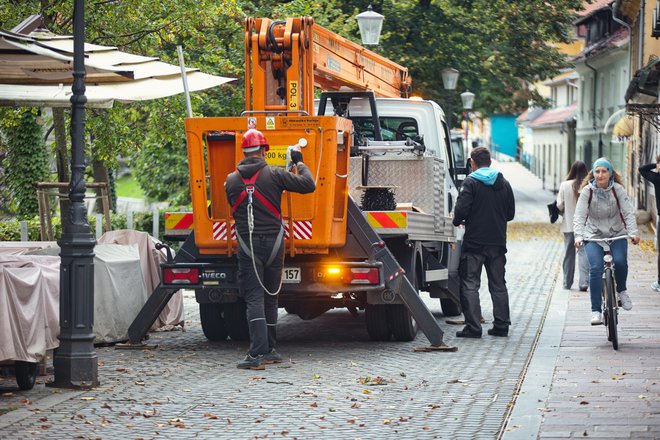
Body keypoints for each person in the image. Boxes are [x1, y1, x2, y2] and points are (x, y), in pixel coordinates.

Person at [225, 129, 315, 370]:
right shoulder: (275, 175)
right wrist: (298, 161)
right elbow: (309, 185)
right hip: (275, 245)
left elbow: (235, 210)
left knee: (254, 296)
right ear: (264, 150)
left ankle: (256, 354)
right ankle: (270, 350)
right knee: (271, 296)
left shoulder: (231, 181)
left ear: (243, 152)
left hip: (248, 245)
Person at [452, 147, 516, 338]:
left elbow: (461, 211)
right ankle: (501, 325)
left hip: (474, 244)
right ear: (490, 162)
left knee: (471, 283)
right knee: (498, 284)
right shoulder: (504, 183)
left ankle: (473, 327)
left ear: (472, 162)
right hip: (497, 242)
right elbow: (510, 214)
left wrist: (458, 220)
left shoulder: (470, 182)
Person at [573, 157, 640, 326]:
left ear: (610, 173)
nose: (600, 174)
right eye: (597, 171)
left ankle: (622, 290)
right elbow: (579, 216)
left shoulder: (618, 190)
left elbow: (628, 213)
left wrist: (633, 233)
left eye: (604, 171)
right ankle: (595, 310)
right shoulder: (587, 192)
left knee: (620, 261)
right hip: (593, 235)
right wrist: (578, 236)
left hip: (616, 233)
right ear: (593, 174)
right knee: (595, 268)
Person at [556, 160, 589, 291]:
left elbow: (559, 205)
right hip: (585, 227)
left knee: (568, 255)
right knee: (584, 254)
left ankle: (567, 283)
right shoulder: (588, 185)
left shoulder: (565, 185)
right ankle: (584, 283)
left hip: (569, 225)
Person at [638, 154, 660, 292]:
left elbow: (642, 169)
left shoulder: (657, 178)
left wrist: (655, 165)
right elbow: (641, 169)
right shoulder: (657, 179)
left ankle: (659, 282)